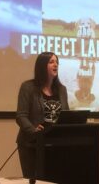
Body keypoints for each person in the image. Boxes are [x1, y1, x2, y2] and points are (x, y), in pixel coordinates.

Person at [16, 52, 69, 184]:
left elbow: (66, 115)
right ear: (41, 66)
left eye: (57, 62)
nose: (55, 64)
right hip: (31, 144)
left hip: (55, 145)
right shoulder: (28, 87)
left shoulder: (62, 89)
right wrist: (34, 130)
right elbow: (21, 116)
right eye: (51, 62)